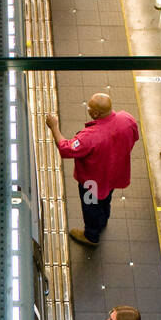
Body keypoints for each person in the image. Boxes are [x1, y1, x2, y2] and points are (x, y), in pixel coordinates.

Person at [46, 96, 139, 246]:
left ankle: (91, 235)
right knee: (106, 198)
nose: (87, 110)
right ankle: (103, 220)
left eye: (89, 108)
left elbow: (66, 149)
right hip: (115, 173)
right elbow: (134, 138)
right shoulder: (127, 119)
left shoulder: (89, 137)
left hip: (91, 182)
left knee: (90, 206)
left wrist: (54, 126)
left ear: (95, 114)